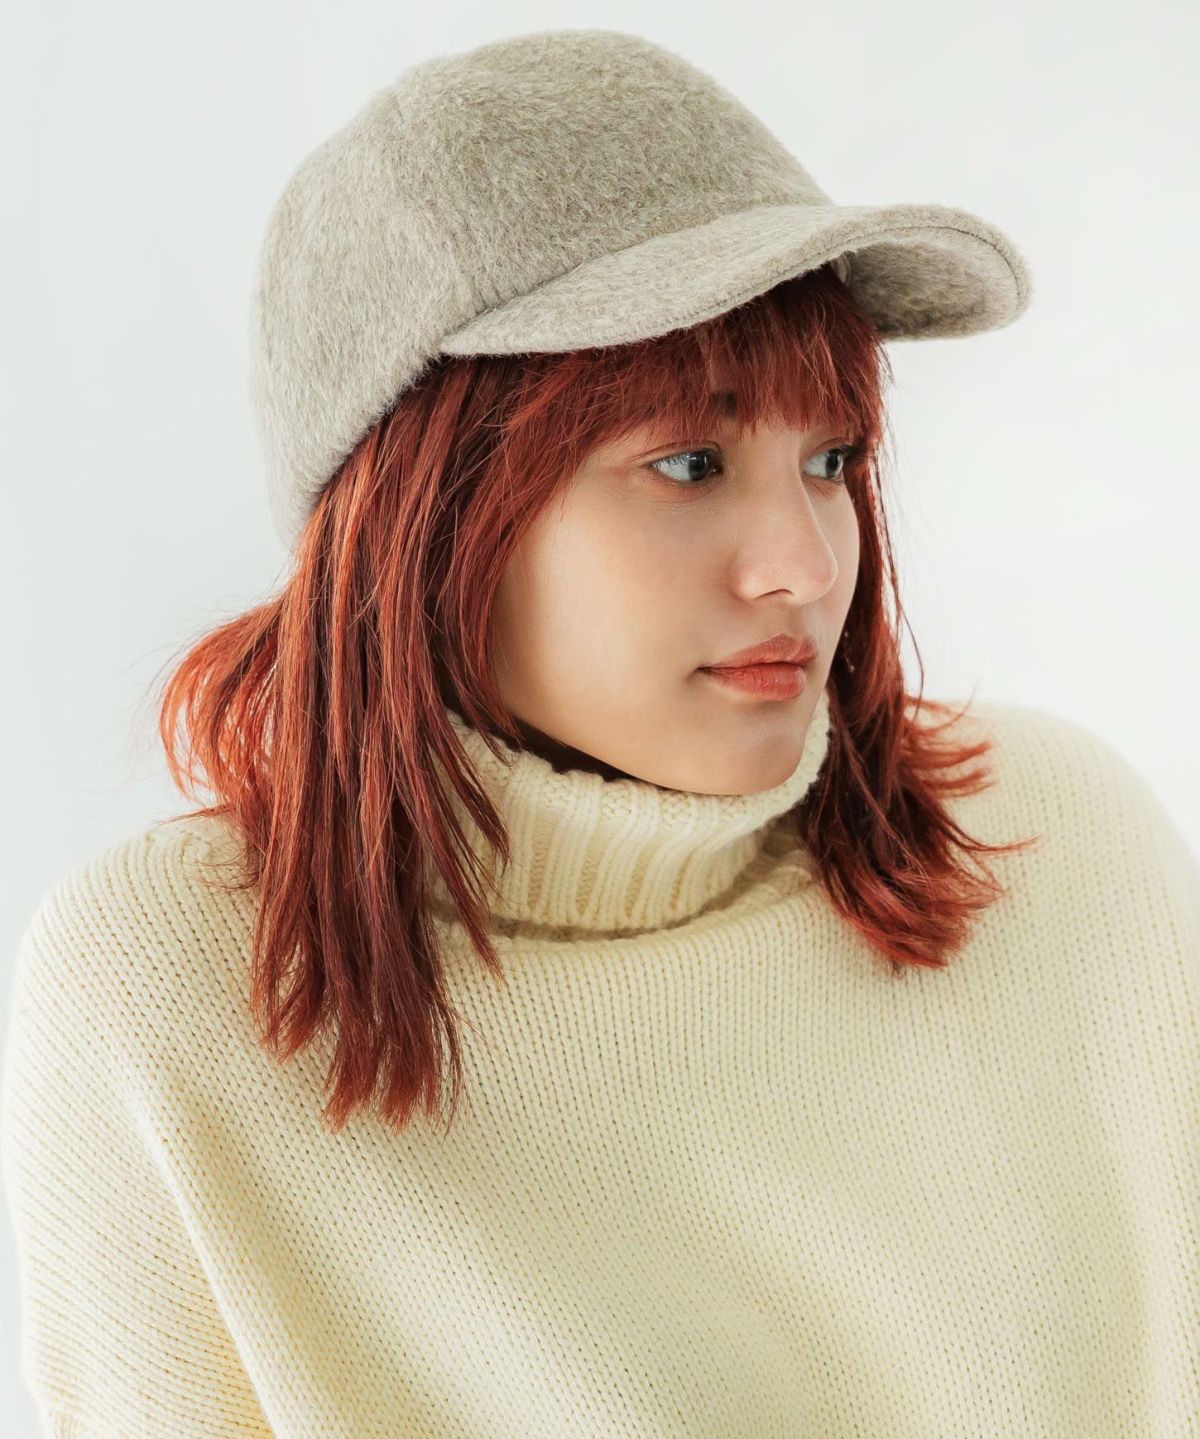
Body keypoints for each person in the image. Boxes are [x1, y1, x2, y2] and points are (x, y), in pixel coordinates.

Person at [2, 27, 1197, 1439]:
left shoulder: (1050, 845)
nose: (806, 565)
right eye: (689, 463)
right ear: (427, 514)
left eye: (832, 459)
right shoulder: (183, 987)